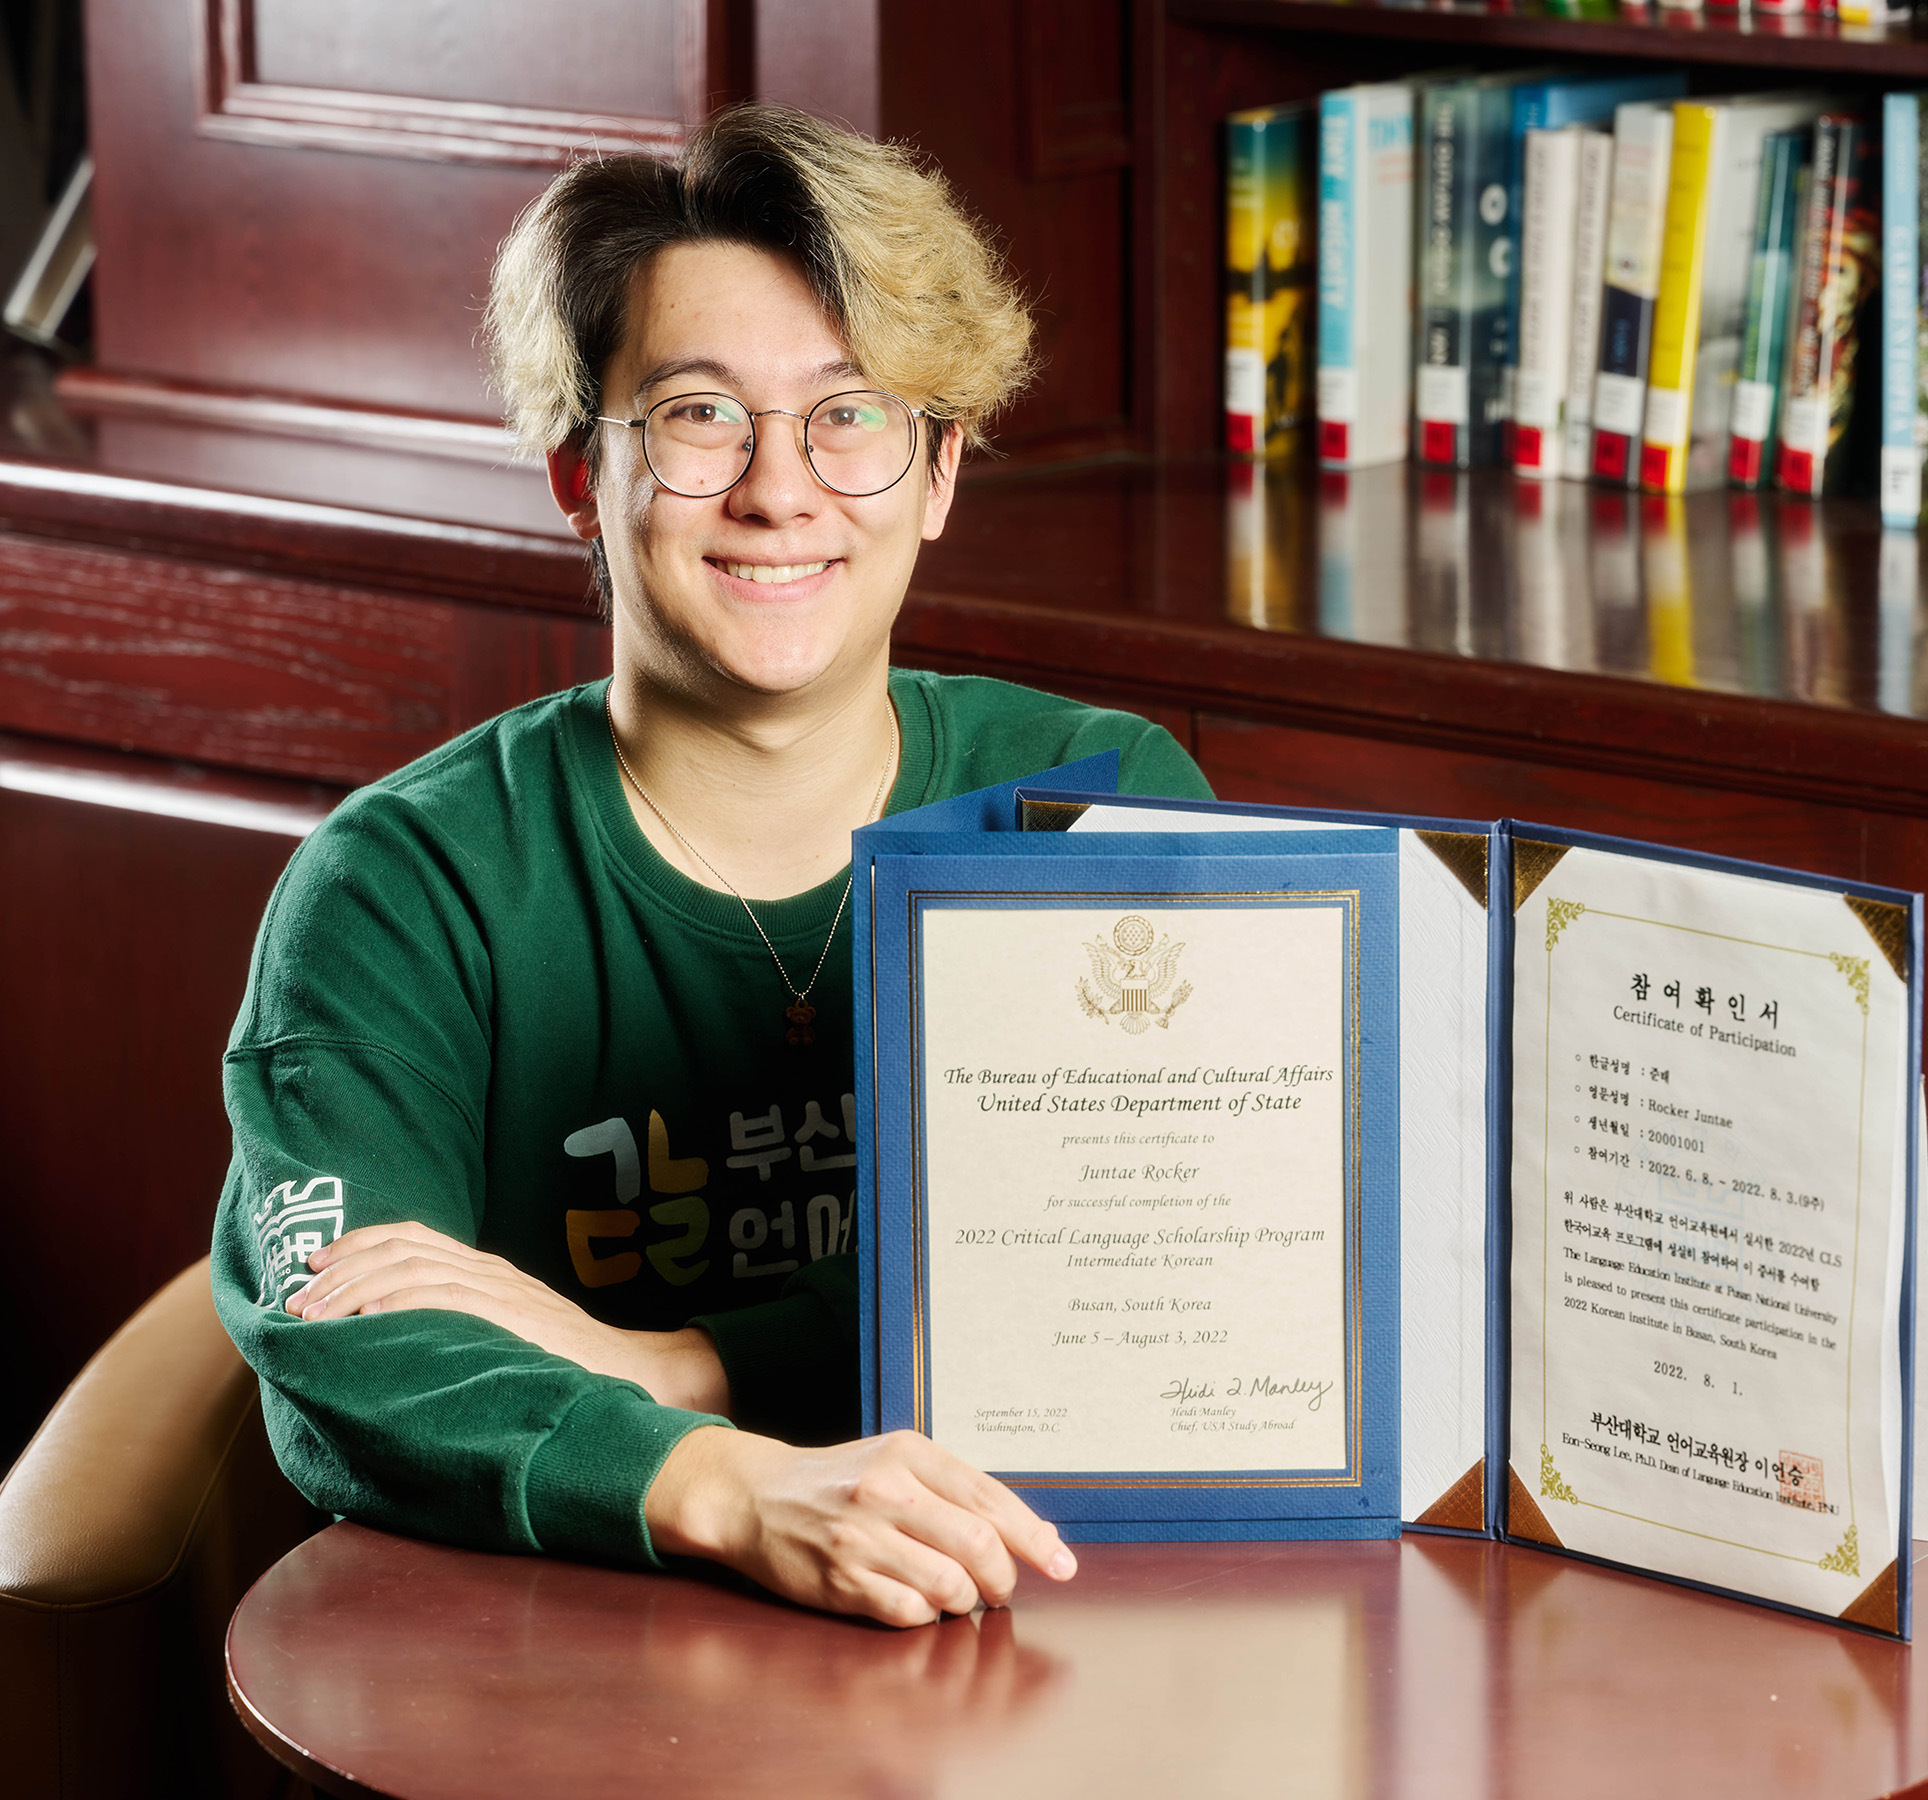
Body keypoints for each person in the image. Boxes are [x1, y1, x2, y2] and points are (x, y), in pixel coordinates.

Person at [209, 104, 1212, 1628]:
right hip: (575, 1629)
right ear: (577, 474)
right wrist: (726, 1481)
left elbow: (1186, 1268)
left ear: (938, 474)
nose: (780, 489)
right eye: (696, 414)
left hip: (1037, 1590)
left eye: (854, 413)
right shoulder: (401, 885)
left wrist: (679, 1358)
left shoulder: (1099, 803)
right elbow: (346, 1351)